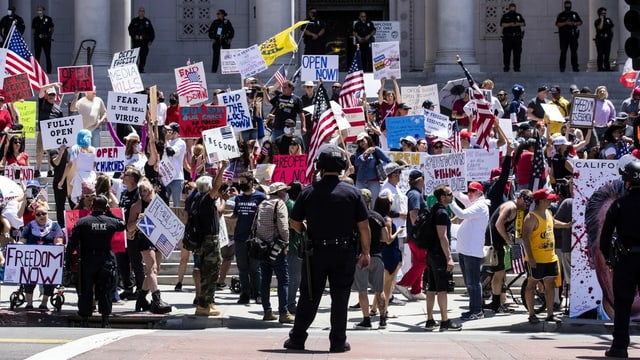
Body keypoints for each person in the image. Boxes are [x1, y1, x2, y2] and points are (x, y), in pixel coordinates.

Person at [283, 144, 370, 353]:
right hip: (344, 251)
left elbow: (294, 223)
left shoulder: (308, 192)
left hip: (316, 252)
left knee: (309, 295)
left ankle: (297, 338)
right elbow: (364, 226)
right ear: (341, 167)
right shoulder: (353, 192)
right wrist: (366, 252)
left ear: (320, 167)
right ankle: (338, 341)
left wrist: (305, 228)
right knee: (340, 298)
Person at [66, 195, 126, 328]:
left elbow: (72, 243)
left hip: (87, 261)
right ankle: (105, 320)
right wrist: (110, 212)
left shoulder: (82, 222)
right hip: (105, 261)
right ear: (105, 207)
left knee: (85, 290)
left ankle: (84, 319)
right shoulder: (111, 222)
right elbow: (123, 225)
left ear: (92, 206)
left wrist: (67, 261)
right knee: (105, 291)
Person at [600, 160, 640, 358]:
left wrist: (609, 258)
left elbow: (605, 237)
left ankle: (620, 346)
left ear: (627, 182)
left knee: (623, 304)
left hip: (626, 259)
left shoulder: (619, 205)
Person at [522, 188, 571, 324]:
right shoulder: (531, 217)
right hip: (536, 259)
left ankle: (550, 314)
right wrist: (531, 257)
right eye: (548, 199)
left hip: (550, 257)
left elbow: (553, 222)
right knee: (531, 284)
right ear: (542, 201)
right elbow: (525, 237)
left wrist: (566, 225)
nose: (551, 201)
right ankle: (532, 314)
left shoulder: (548, 213)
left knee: (550, 285)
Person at [127, 179, 172, 314]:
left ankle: (141, 299)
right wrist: (137, 221)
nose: (143, 194)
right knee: (151, 268)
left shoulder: (158, 203)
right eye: (141, 191)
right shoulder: (137, 206)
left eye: (145, 191)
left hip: (158, 237)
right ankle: (156, 299)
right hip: (144, 238)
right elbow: (129, 227)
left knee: (154, 270)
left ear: (151, 190)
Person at [485, 190, 533, 313]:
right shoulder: (511, 207)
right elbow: (498, 224)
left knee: (500, 274)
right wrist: (507, 239)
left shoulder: (514, 208)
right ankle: (495, 303)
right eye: (527, 201)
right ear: (521, 198)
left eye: (530, 203)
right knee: (499, 274)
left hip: (498, 243)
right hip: (494, 243)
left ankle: (497, 301)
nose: (527, 205)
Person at [450, 182, 490, 321]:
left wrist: (450, 202)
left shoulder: (480, 206)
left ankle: (477, 310)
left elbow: (461, 214)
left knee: (473, 283)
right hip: (465, 250)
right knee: (470, 283)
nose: (469, 193)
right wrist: (452, 188)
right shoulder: (473, 202)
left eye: (473, 191)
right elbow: (459, 195)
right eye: (469, 191)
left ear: (479, 192)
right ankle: (473, 309)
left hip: (472, 251)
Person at [425, 184, 462, 331]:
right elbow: (442, 236)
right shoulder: (441, 213)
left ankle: (429, 320)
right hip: (439, 255)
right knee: (441, 289)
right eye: (449, 194)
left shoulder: (433, 210)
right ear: (442, 197)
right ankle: (445, 321)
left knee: (431, 288)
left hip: (430, 254)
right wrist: (449, 258)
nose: (451, 196)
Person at [193, 161, 228, 316]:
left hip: (205, 241)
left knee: (209, 272)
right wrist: (222, 168)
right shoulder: (206, 199)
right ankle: (203, 305)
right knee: (211, 273)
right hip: (209, 241)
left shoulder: (197, 199)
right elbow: (217, 185)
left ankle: (208, 302)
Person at [256, 182, 294, 323]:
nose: (285, 193)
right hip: (276, 247)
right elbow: (283, 227)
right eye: (284, 191)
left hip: (262, 247)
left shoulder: (262, 204)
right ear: (279, 192)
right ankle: (284, 312)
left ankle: (267, 311)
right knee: (283, 280)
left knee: (265, 280)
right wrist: (286, 243)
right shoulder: (279, 204)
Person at [352, 189, 387, 330]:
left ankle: (366, 319)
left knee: (362, 290)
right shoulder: (378, 217)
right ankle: (383, 319)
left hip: (361, 257)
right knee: (380, 290)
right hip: (377, 255)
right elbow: (385, 238)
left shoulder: (354, 217)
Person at [19, 201, 64, 311]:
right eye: (38, 214)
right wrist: (18, 245)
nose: (41, 216)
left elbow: (59, 239)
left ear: (47, 213)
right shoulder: (30, 226)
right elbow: (22, 240)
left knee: (49, 281)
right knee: (29, 279)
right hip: (32, 259)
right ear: (35, 215)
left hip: (49, 260)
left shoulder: (54, 226)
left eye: (44, 213)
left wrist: (58, 245)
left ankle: (44, 303)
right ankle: (29, 303)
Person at [233, 171, 267, 304]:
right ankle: (244, 294)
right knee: (242, 268)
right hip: (240, 237)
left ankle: (258, 293)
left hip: (255, 238)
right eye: (240, 182)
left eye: (243, 182)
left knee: (255, 268)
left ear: (251, 182)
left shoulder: (261, 197)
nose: (241, 184)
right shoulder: (239, 198)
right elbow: (236, 215)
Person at [395, 170, 427, 301]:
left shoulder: (414, 193)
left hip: (414, 235)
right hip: (417, 236)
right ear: (420, 180)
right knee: (423, 261)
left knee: (418, 262)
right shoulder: (414, 194)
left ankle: (416, 290)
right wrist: (420, 231)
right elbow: (414, 214)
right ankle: (403, 283)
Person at [116, 167, 144, 301]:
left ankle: (140, 290)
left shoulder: (138, 195)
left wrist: (133, 230)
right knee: (122, 262)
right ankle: (128, 287)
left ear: (133, 179)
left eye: (125, 175)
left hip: (134, 235)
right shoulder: (124, 193)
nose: (122, 177)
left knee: (136, 263)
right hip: (122, 233)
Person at [59, 129, 97, 203]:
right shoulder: (94, 149)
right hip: (91, 176)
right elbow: (95, 165)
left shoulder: (75, 149)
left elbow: (69, 165)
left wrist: (62, 180)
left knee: (79, 201)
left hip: (79, 177)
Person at [36, 83, 63, 178]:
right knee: (39, 150)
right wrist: (53, 84)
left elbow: (61, 123)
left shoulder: (58, 109)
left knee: (50, 152)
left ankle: (50, 170)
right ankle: (37, 169)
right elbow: (41, 89)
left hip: (53, 133)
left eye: (53, 95)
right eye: (50, 94)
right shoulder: (42, 103)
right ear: (46, 95)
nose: (51, 96)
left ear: (55, 96)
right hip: (42, 131)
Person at [163, 122, 187, 207]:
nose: (167, 132)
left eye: (169, 131)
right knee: (164, 203)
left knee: (176, 206)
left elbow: (170, 152)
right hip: (166, 177)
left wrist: (166, 139)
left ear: (175, 132)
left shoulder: (180, 143)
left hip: (176, 178)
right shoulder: (167, 142)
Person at [555, 0, 582, 72]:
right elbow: (557, 24)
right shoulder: (561, 14)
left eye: (569, 6)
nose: (568, 8)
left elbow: (580, 22)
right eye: (567, 6)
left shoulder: (574, 14)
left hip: (573, 35)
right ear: (564, 6)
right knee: (563, 52)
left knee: (574, 52)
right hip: (564, 36)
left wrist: (574, 23)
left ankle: (575, 67)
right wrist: (566, 23)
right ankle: (562, 68)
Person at [499, 3, 525, 72]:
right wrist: (510, 24)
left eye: (514, 7)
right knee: (506, 53)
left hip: (517, 37)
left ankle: (517, 68)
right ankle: (506, 68)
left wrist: (516, 24)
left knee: (517, 53)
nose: (512, 9)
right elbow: (502, 24)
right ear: (509, 8)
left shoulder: (518, 15)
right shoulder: (505, 16)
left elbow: (523, 23)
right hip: (508, 37)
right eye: (511, 7)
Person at [128, 7, 155, 73]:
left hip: (144, 42)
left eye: (143, 11)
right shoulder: (134, 21)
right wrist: (134, 36)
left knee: (143, 57)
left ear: (144, 13)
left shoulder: (147, 22)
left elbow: (152, 32)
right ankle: (134, 70)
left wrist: (150, 40)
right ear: (138, 12)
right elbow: (130, 29)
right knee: (135, 57)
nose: (141, 12)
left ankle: (141, 69)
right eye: (140, 11)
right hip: (136, 42)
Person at [31, 5, 53, 74]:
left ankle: (49, 71)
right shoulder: (35, 19)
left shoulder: (48, 19)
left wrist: (48, 35)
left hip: (46, 39)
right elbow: (33, 29)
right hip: (38, 39)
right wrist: (35, 35)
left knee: (47, 55)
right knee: (37, 55)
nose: (39, 12)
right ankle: (37, 72)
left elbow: (51, 28)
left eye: (40, 10)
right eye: (38, 10)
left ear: (43, 11)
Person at [594, 7, 614, 72]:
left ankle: (607, 67)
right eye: (602, 13)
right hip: (600, 40)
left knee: (607, 54)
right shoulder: (597, 21)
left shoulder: (608, 20)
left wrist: (611, 37)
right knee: (600, 54)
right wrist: (602, 19)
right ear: (599, 13)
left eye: (605, 13)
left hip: (607, 39)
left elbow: (611, 28)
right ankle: (600, 68)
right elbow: (600, 27)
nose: (604, 14)